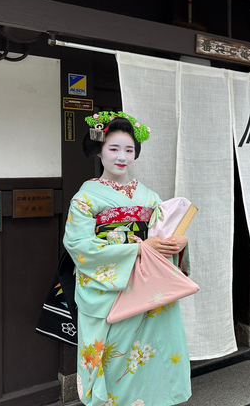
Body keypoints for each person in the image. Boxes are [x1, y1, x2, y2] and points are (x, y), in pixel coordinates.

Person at [65, 111, 192, 406]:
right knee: (114, 358)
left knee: (154, 356)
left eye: (129, 150)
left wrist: (179, 242)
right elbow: (79, 245)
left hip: (149, 286)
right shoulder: (85, 198)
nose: (122, 157)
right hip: (109, 288)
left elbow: (164, 233)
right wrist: (137, 248)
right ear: (99, 151)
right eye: (114, 149)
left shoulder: (149, 197)